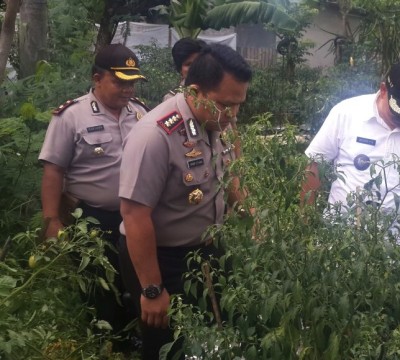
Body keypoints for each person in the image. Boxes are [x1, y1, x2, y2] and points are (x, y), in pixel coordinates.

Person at [118, 43, 252, 359]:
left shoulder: (219, 122)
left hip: (207, 248)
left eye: (238, 105)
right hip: (161, 257)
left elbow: (232, 173)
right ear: (194, 91)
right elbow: (135, 215)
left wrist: (250, 215)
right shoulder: (155, 135)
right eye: (225, 105)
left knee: (214, 328)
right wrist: (152, 289)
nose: (232, 114)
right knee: (168, 344)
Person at [39, 43, 148, 348]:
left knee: (135, 280)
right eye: (120, 82)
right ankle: (104, 344)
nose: (128, 89)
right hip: (90, 217)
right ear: (97, 78)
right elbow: (53, 172)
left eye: (132, 82)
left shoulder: (141, 113)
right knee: (99, 285)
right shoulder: (71, 117)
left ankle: (131, 340)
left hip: (135, 217)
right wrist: (51, 221)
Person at [301, 59, 400, 244]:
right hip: (341, 246)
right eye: (399, 112)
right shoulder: (346, 113)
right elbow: (314, 165)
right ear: (384, 90)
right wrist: (304, 225)